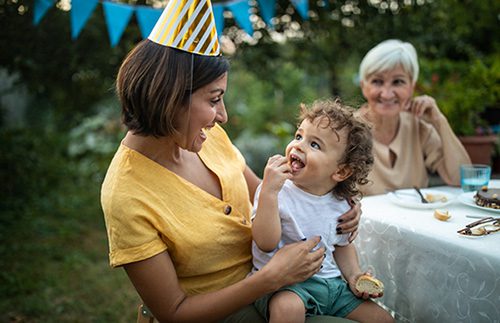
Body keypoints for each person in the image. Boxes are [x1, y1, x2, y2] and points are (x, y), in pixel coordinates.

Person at [100, 0, 361, 321]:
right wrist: (270, 278)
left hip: (281, 292)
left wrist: (337, 203)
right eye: (213, 99)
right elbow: (173, 312)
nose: (222, 116)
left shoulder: (205, 138)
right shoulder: (125, 195)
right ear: (169, 98)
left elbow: (270, 193)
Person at [251, 98, 393, 323]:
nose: (298, 145)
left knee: (382, 318)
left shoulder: (341, 202)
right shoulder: (275, 190)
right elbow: (265, 242)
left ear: (341, 171)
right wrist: (268, 192)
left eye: (314, 144)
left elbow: (342, 246)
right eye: (299, 136)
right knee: (287, 309)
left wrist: (354, 275)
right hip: (284, 286)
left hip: (331, 285)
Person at [357, 39, 471, 196]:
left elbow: (461, 179)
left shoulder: (419, 127)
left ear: (411, 86)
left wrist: (439, 121)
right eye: (377, 81)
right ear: (364, 86)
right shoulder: (348, 129)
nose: (387, 93)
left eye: (398, 82)